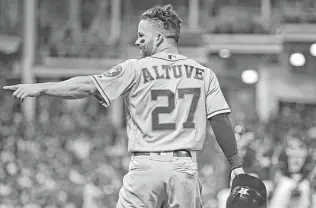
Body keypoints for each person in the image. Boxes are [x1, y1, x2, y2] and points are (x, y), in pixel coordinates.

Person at [3, 4, 244, 208]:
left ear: (159, 38)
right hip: (184, 171)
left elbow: (87, 86)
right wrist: (235, 166)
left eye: (142, 36)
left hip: (145, 170)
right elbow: (220, 120)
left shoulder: (135, 68)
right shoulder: (204, 73)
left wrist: (42, 88)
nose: (137, 41)